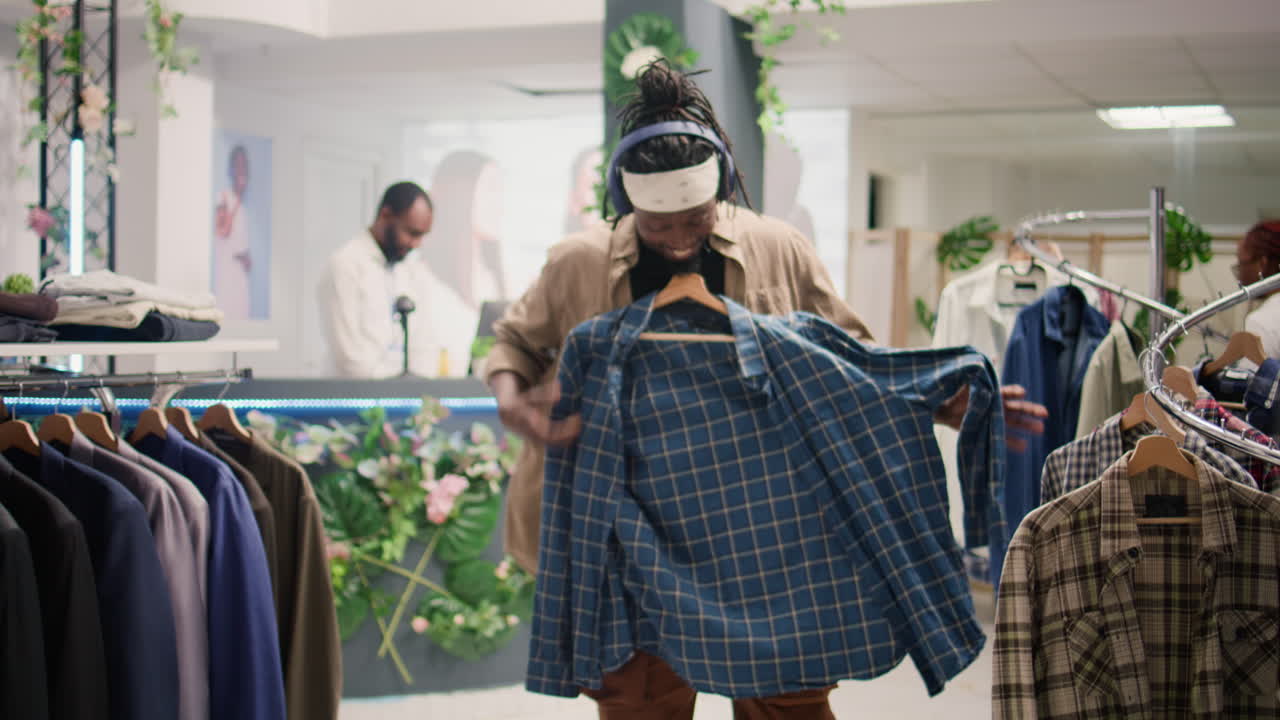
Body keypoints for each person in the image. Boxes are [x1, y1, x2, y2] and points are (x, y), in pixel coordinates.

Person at [486, 60, 1046, 717]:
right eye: (655, 226)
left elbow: (851, 360)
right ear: (625, 202)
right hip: (628, 529)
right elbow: (516, 344)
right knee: (641, 698)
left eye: (693, 220)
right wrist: (511, 400)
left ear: (720, 191)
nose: (675, 242)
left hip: (764, 525)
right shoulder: (576, 262)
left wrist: (939, 401)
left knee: (787, 697)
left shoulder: (779, 248)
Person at [317, 181, 475, 378]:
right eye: (411, 233)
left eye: (422, 236)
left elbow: (425, 343)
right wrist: (393, 389)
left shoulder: (411, 271)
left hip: (402, 396)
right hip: (354, 398)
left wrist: (417, 388)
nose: (416, 244)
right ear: (386, 215)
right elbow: (350, 357)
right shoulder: (345, 265)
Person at [213, 145, 252, 319]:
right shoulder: (224, 197)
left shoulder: (242, 204)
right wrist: (237, 200)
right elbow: (223, 231)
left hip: (240, 276)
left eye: (244, 166)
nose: (241, 170)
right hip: (227, 272)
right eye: (238, 165)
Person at [1237, 220, 1280, 358]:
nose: (1240, 274)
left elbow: (1255, 377)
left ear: (1262, 263)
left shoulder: (1263, 321)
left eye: (1242, 264)